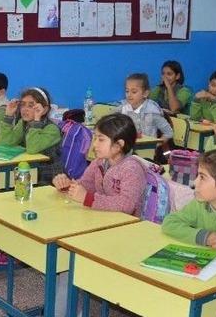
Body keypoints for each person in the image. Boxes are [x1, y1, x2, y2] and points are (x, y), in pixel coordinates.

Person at [51, 113, 146, 316]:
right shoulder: (99, 163)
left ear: (119, 144)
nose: (94, 144)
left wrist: (88, 199)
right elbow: (84, 184)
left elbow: (126, 205)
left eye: (100, 139)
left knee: (70, 263)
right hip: (103, 226)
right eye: (95, 137)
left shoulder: (131, 168)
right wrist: (67, 184)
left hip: (127, 235)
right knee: (67, 259)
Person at [0, 87, 62, 184]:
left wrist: (36, 121)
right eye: (22, 105)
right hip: (27, 170)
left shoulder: (52, 129)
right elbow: (6, 142)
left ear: (44, 110)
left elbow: (32, 148)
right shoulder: (24, 123)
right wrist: (8, 116)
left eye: (31, 106)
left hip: (47, 176)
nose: (25, 109)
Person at [118, 73, 173, 143]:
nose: (129, 95)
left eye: (134, 92)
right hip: (128, 149)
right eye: (127, 91)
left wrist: (156, 145)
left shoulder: (152, 111)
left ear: (145, 94)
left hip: (147, 150)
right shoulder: (122, 108)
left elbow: (168, 133)